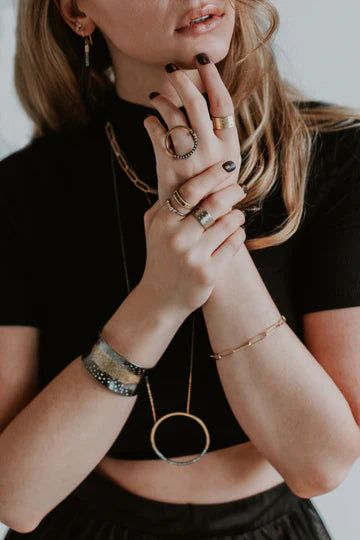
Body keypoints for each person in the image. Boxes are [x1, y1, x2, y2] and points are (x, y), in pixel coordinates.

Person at [1, 0, 360, 538]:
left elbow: (321, 466)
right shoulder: (25, 191)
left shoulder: (334, 157)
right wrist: (160, 300)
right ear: (77, 11)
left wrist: (213, 216)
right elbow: (17, 497)